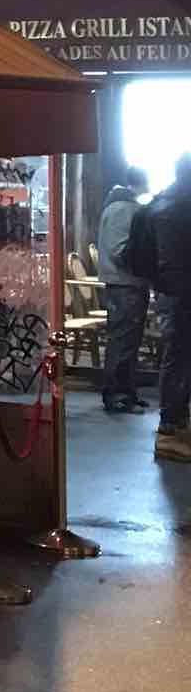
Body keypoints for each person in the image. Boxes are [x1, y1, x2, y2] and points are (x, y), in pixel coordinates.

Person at [96, 168, 153, 414]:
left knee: (129, 341)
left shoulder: (119, 206)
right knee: (122, 341)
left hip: (128, 283)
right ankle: (116, 395)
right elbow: (121, 251)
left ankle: (127, 392)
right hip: (125, 283)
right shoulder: (123, 209)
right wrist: (146, 265)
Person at [146, 155, 191, 464]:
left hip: (171, 292)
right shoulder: (179, 206)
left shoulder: (162, 201)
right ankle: (171, 427)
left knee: (178, 356)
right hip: (181, 293)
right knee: (178, 356)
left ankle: (175, 423)